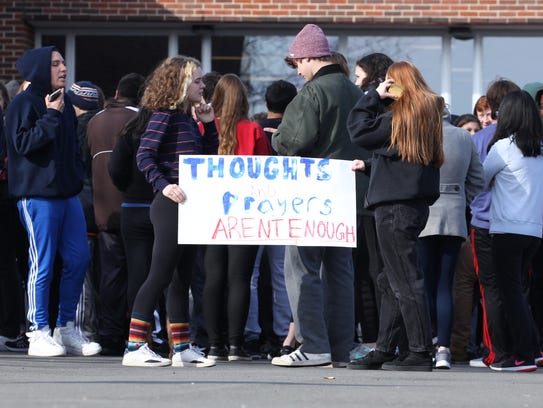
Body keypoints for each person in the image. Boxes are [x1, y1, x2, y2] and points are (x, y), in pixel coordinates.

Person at [270, 24, 363, 367]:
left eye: (298, 62)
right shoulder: (356, 93)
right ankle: (340, 348)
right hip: (349, 193)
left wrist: (276, 138)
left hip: (312, 195)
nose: (298, 70)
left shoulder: (311, 93)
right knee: (340, 272)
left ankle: (313, 345)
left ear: (311, 56)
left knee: (300, 269)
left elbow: (292, 142)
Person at [121, 55, 218, 368]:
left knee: (182, 278)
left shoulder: (187, 118)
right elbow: (145, 154)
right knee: (160, 274)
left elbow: (205, 159)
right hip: (170, 203)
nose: (203, 86)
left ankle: (182, 348)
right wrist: (162, 185)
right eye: (198, 80)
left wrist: (208, 125)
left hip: (187, 202)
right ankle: (135, 346)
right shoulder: (164, 115)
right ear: (182, 83)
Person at [347, 61, 444, 371]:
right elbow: (407, 160)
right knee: (392, 279)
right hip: (412, 206)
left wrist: (374, 96)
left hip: (393, 209)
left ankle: (418, 351)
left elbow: (358, 129)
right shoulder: (422, 118)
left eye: (390, 82)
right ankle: (386, 348)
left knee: (404, 280)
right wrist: (372, 167)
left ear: (398, 85)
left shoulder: (399, 118)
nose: (386, 87)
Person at [4, 46, 97, 357]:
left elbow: (72, 149)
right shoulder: (23, 102)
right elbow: (22, 144)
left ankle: (66, 327)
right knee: (41, 263)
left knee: (79, 258)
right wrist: (50, 116)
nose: (63, 68)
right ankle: (37, 331)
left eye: (63, 62)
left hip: (66, 193)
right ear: (40, 68)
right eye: (55, 63)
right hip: (37, 195)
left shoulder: (65, 103)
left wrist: (75, 178)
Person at [203, 73, 272, 362]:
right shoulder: (253, 129)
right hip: (246, 211)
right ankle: (235, 345)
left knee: (213, 277)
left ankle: (214, 345)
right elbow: (268, 169)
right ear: (243, 99)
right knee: (240, 279)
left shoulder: (205, 127)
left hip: (210, 212)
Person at [417, 108, 484, 369]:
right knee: (447, 284)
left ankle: (427, 341)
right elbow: (478, 180)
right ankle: (444, 347)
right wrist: (460, 199)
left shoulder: (419, 134)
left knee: (425, 283)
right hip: (454, 214)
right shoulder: (464, 137)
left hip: (424, 212)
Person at [483, 90, 543, 372]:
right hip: (535, 231)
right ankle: (533, 348)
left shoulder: (503, 148)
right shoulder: (540, 147)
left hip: (507, 229)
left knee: (511, 293)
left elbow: (480, 181)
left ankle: (523, 356)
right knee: (521, 292)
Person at [86, 73, 145, 356]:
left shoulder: (95, 120)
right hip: (134, 205)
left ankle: (109, 333)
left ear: (117, 91)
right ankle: (136, 332)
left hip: (103, 208)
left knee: (110, 273)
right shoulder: (139, 120)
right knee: (139, 273)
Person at [468, 78, 521, 369]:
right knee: (517, 287)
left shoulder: (481, 139)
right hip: (520, 223)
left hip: (486, 221)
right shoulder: (529, 139)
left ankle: (496, 352)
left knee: (490, 289)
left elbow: (475, 180)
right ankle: (522, 348)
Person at [244, 79, 297, 358]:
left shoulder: (253, 129)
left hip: (253, 209)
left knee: (251, 276)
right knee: (282, 275)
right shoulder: (295, 132)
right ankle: (280, 334)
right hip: (285, 209)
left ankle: (250, 333)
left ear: (266, 104)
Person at [350, 52, 393, 361]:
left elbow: (360, 131)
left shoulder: (380, 108)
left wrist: (370, 98)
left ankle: (380, 338)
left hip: (373, 199)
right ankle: (377, 336)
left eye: (358, 75)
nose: (355, 82)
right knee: (371, 273)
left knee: (375, 273)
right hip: (372, 196)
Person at [66, 81, 103, 349]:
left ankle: (86, 330)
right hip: (108, 208)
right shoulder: (106, 126)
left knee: (82, 272)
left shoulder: (75, 129)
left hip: (83, 205)